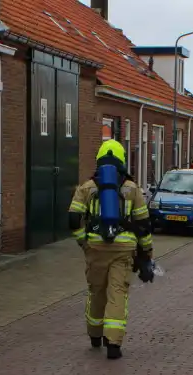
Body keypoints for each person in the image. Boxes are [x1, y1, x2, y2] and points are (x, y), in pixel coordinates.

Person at [67, 140, 154, 360]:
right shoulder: (132, 189)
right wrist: (146, 253)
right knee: (117, 293)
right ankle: (113, 344)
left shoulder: (87, 187)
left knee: (96, 291)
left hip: (96, 248)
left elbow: (73, 219)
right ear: (122, 160)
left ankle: (95, 336)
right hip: (123, 250)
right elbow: (143, 225)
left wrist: (84, 243)